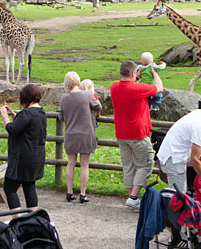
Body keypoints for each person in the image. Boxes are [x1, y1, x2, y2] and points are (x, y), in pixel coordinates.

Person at [110, 60, 163, 209]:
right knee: (145, 164)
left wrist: (135, 78)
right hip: (138, 133)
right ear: (134, 73)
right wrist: (154, 73)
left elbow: (127, 86)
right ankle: (133, 197)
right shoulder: (138, 89)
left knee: (128, 166)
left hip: (122, 133)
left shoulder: (114, 87)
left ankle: (131, 197)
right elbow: (159, 88)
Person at [157, 100, 201, 193]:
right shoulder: (199, 125)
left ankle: (200, 185)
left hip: (181, 153)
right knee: (179, 196)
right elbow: (194, 159)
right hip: (173, 158)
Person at [0, 84, 47, 212]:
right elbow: (29, 128)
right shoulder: (41, 113)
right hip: (36, 156)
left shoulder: (26, 113)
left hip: (22, 158)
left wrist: (5, 116)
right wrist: (16, 117)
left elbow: (12, 130)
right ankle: (32, 217)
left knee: (9, 188)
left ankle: (18, 220)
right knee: (29, 186)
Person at [59, 72, 102, 204]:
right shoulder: (87, 95)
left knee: (70, 164)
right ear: (78, 81)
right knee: (84, 165)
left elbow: (61, 117)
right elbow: (98, 106)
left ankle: (69, 192)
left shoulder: (64, 98)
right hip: (86, 134)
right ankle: (82, 194)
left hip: (71, 134)